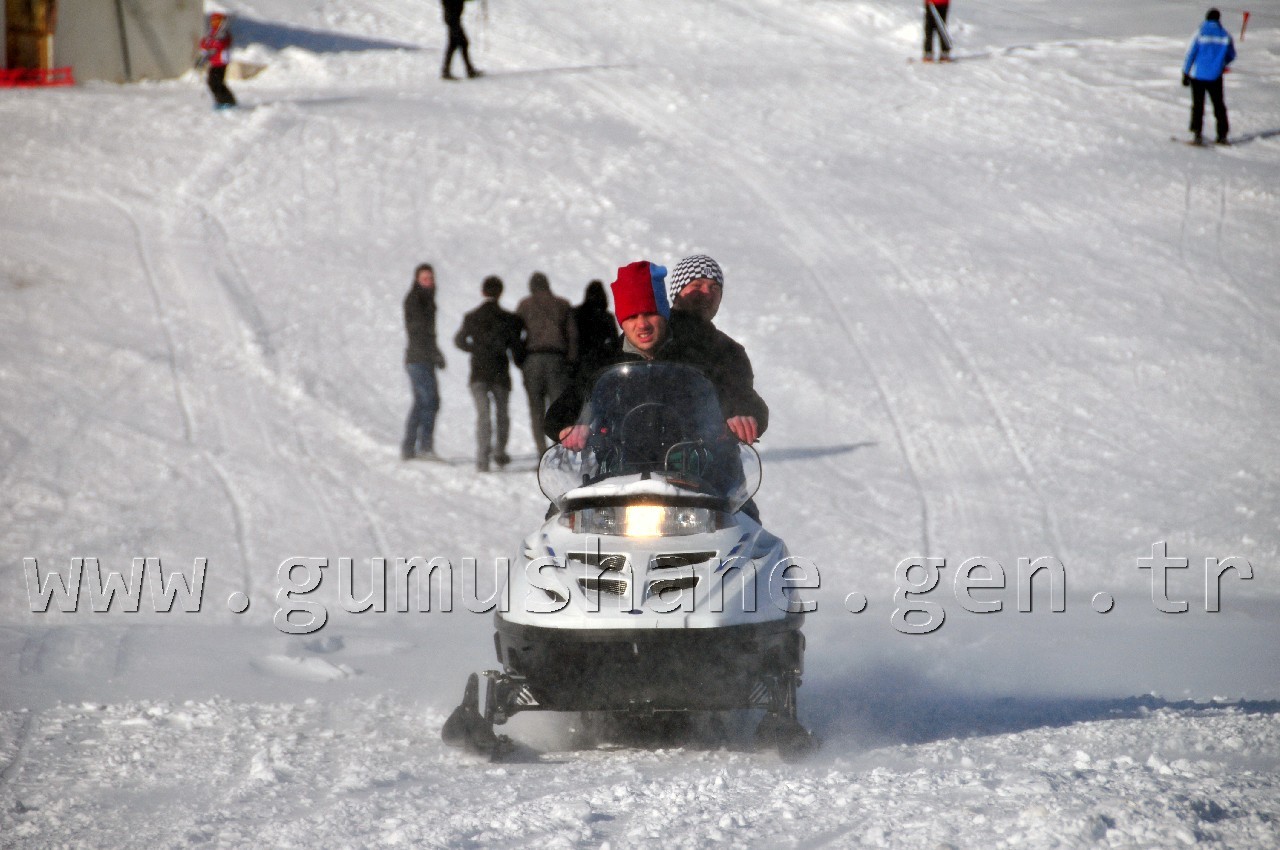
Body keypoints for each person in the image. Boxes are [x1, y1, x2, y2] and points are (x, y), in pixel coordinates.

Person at [547, 260, 767, 450]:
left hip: (694, 468)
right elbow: (565, 407)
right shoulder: (603, 360)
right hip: (619, 471)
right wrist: (568, 426)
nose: (642, 325)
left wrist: (744, 414)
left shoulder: (698, 354)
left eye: (650, 314)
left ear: (664, 313)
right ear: (622, 321)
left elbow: (740, 393)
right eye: (632, 317)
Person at [665, 254, 766, 447]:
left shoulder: (729, 351)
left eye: (714, 288)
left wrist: (745, 414)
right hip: (646, 454)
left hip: (707, 457)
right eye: (697, 285)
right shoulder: (652, 335)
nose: (707, 293)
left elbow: (743, 396)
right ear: (677, 292)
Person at [454, 276, 525, 472]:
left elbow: (459, 341)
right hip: (500, 372)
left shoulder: (472, 316)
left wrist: (475, 349)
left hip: (478, 372)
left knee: (483, 416)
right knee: (502, 414)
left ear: (482, 292)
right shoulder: (509, 319)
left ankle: (482, 460)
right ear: (500, 293)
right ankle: (500, 452)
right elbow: (515, 345)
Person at [516, 272, 578, 455]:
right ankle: (559, 453)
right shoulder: (562, 304)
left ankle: (542, 453)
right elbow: (573, 335)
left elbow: (514, 333)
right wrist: (571, 361)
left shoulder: (525, 305)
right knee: (558, 409)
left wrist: (520, 359)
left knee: (536, 409)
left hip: (532, 359)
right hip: (557, 359)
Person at [402, 263, 447, 461]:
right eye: (425, 278)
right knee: (429, 401)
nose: (429, 282)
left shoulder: (427, 299)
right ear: (417, 280)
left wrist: (436, 353)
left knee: (424, 401)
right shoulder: (416, 299)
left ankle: (410, 447)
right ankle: (423, 447)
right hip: (418, 357)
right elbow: (419, 330)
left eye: (431, 278)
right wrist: (433, 352)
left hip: (423, 357)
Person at [1183, 8, 1236, 145]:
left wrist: (1185, 72)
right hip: (1215, 76)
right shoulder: (1225, 35)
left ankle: (1197, 134)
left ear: (1206, 18)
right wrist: (1221, 64)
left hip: (1198, 75)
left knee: (1198, 105)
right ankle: (1222, 135)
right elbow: (1232, 55)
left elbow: (1190, 53)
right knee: (1219, 105)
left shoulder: (1200, 32)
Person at [571, 280, 620, 382]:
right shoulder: (607, 317)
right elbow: (615, 342)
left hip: (581, 361)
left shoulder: (577, 313)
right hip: (602, 362)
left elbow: (571, 336)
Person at [198, 12, 237, 109]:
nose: (215, 23)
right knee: (211, 81)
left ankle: (228, 101)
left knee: (217, 82)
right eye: (213, 21)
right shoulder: (212, 33)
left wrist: (214, 45)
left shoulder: (223, 33)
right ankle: (220, 100)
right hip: (214, 62)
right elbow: (204, 43)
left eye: (218, 21)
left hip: (221, 62)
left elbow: (222, 44)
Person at [441, 0, 482, 80]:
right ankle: (469, 70)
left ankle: (447, 70)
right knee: (463, 43)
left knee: (453, 44)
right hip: (453, 20)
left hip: (453, 20)